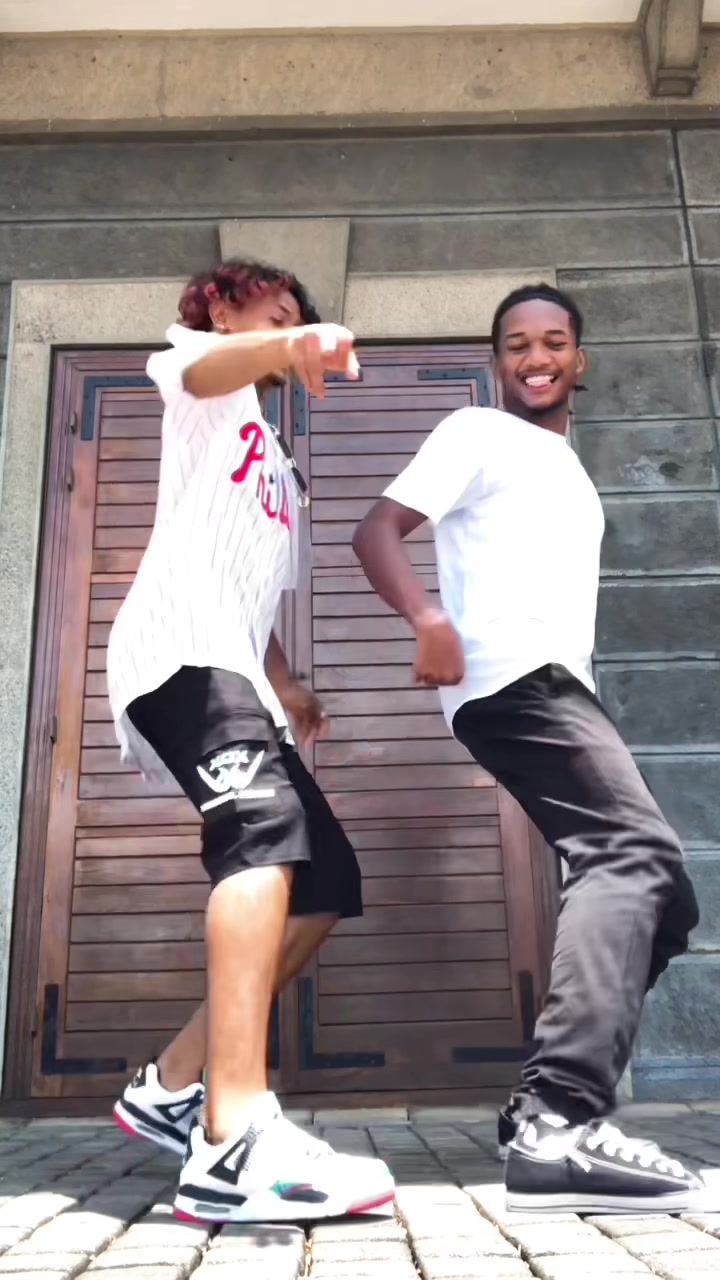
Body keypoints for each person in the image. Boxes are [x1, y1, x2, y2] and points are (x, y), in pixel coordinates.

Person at [351, 283, 704, 1214]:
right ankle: (560, 1121)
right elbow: (376, 530)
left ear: (579, 359)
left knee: (666, 901)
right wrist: (428, 619)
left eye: (554, 342)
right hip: (511, 677)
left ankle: (539, 1108)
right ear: (495, 359)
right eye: (517, 343)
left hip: (559, 685)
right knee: (629, 855)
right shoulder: (478, 431)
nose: (536, 357)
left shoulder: (567, 468)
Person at [106, 258, 394, 1224]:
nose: (289, 318)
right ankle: (230, 1140)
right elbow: (199, 370)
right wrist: (294, 341)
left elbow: (249, 587)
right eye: (271, 306)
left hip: (235, 667)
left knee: (324, 882)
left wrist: (288, 682)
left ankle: (172, 1083)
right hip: (178, 654)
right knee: (263, 845)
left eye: (298, 313)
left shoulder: (275, 459)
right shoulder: (199, 374)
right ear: (220, 309)